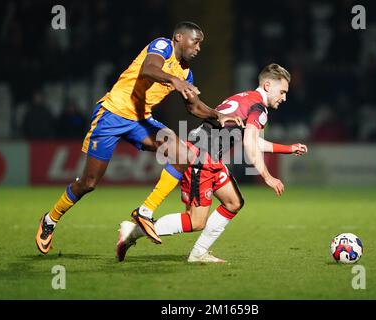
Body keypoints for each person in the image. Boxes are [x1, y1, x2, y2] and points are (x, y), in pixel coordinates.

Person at [35, 21, 242, 254]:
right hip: (111, 115)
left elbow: (193, 107)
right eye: (196, 42)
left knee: (182, 152)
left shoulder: (186, 73)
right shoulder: (162, 46)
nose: (198, 48)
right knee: (88, 183)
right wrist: (174, 81)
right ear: (179, 38)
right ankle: (50, 220)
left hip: (140, 121)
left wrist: (218, 115)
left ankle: (145, 211)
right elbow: (148, 69)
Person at [115, 63, 308, 262]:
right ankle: (133, 232)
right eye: (282, 92)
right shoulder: (259, 109)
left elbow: (249, 139)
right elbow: (250, 143)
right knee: (195, 221)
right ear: (268, 85)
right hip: (201, 158)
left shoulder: (244, 97)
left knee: (234, 203)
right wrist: (267, 177)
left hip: (208, 157)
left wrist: (287, 148)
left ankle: (198, 253)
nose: (284, 98)